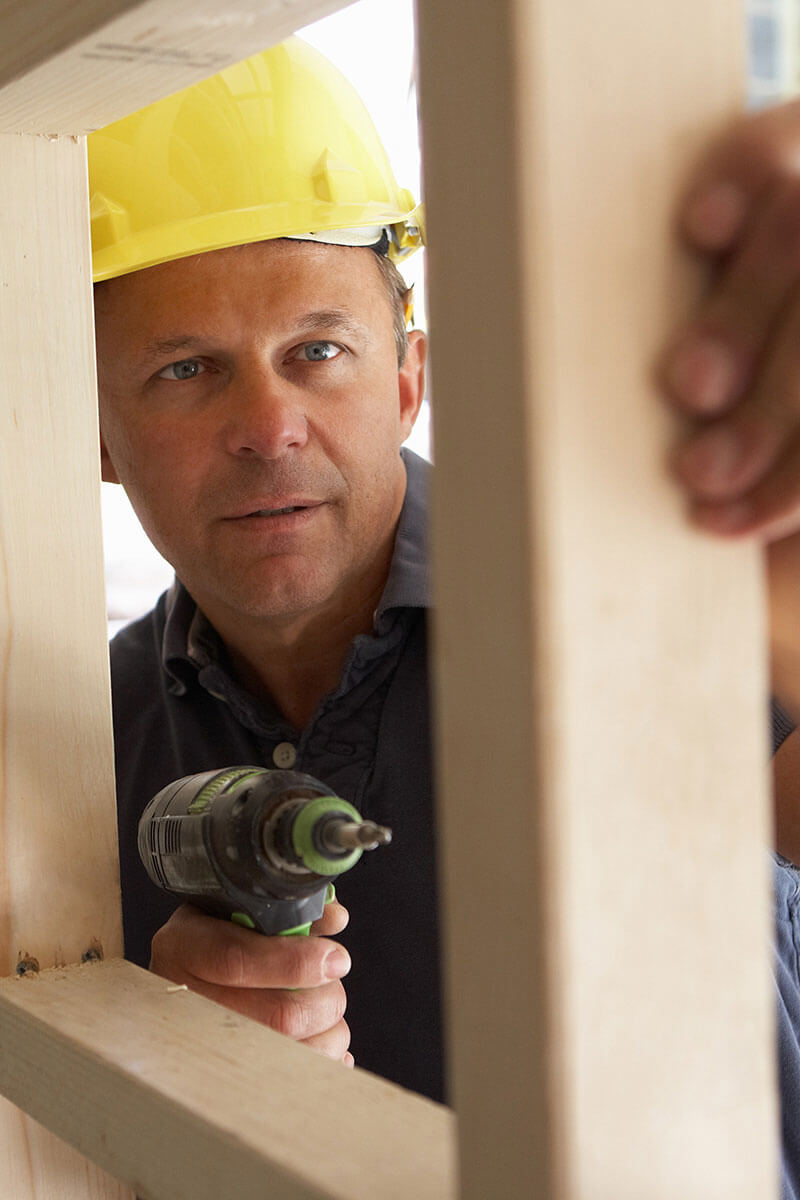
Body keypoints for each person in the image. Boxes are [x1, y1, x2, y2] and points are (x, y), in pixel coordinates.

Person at [93, 35, 800, 1120]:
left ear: (410, 376)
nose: (268, 428)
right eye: (186, 370)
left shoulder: (645, 603)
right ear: (99, 439)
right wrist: (151, 1069)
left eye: (317, 350)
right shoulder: (75, 748)